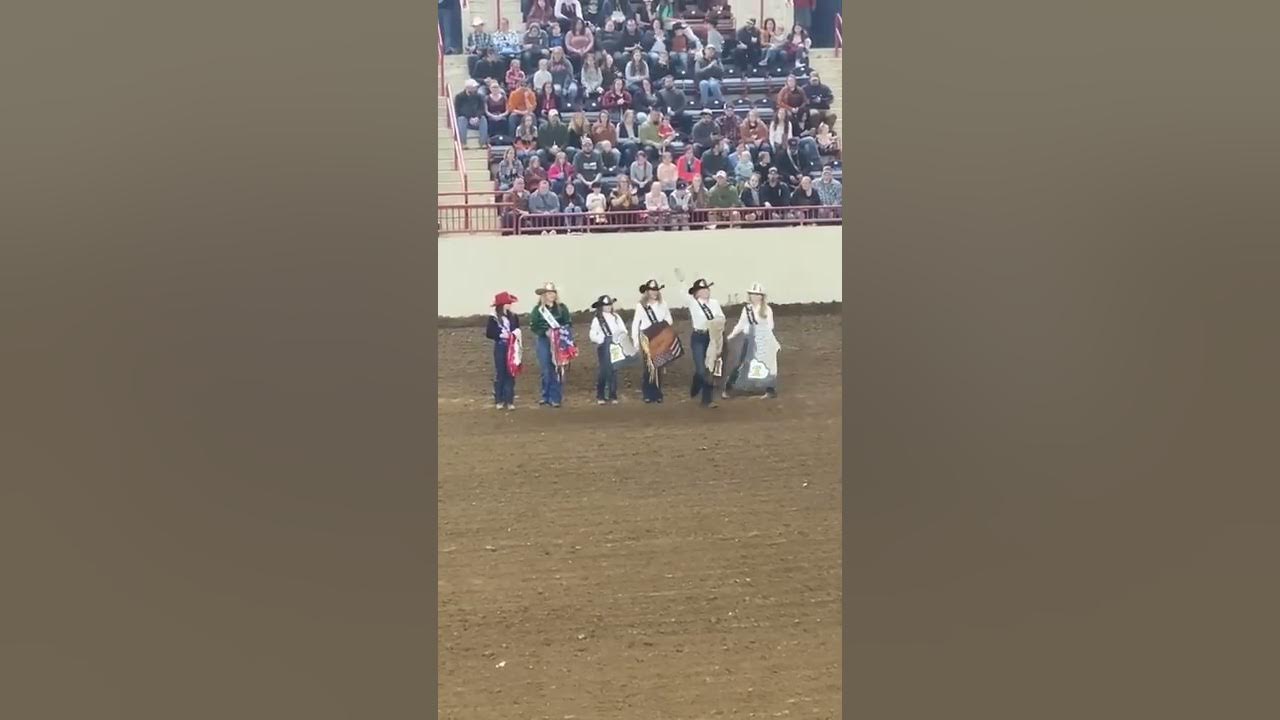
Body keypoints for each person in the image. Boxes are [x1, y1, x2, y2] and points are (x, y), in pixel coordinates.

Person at [724, 282, 778, 399]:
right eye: (753, 294)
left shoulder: (767, 310)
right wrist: (731, 336)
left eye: (757, 294)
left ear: (762, 296)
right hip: (748, 340)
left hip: (762, 340)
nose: (755, 297)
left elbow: (770, 326)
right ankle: (729, 388)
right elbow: (740, 325)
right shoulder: (746, 309)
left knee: (766, 363)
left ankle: (770, 389)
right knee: (741, 362)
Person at [529, 282, 575, 407]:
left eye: (553, 293)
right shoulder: (538, 310)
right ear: (544, 295)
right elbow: (533, 325)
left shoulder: (562, 308)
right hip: (544, 340)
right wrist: (544, 331)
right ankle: (545, 395)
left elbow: (568, 324)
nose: (551, 295)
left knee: (557, 368)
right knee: (546, 368)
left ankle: (556, 397)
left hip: (559, 341)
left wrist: (561, 333)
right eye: (549, 293)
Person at [685, 278, 726, 408]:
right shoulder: (693, 303)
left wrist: (716, 324)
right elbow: (683, 292)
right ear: (696, 293)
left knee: (710, 368)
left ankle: (707, 399)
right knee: (701, 370)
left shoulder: (715, 303)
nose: (706, 291)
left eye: (707, 288)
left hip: (712, 337)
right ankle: (696, 384)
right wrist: (682, 281)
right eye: (702, 289)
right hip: (698, 337)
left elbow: (721, 317)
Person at [631, 279, 672, 403]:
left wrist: (661, 326)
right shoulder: (641, 306)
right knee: (649, 366)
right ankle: (648, 393)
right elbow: (636, 324)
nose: (654, 293)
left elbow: (669, 319)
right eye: (652, 290)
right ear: (647, 292)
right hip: (646, 337)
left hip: (659, 337)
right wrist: (635, 342)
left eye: (656, 290)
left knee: (658, 365)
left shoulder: (663, 304)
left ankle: (658, 393)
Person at [587, 294, 627, 404]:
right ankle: (601, 395)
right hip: (604, 345)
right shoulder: (597, 319)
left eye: (609, 305)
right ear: (601, 306)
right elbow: (592, 334)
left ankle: (613, 395)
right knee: (604, 370)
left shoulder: (616, 317)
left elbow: (623, 330)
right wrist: (601, 339)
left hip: (615, 345)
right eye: (605, 305)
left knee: (614, 370)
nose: (608, 307)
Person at [485, 291, 522, 409]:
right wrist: (500, 334)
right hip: (500, 346)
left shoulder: (514, 317)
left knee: (510, 372)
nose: (510, 305)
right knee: (500, 372)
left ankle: (509, 399)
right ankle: (499, 399)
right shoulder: (493, 318)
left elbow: (517, 328)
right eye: (507, 303)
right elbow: (489, 332)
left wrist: (515, 334)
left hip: (512, 347)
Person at [454, 79, 489, 148]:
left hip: (476, 118)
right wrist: (469, 118)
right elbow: (458, 111)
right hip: (465, 118)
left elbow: (481, 108)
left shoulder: (479, 96)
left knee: (483, 119)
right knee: (461, 119)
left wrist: (477, 117)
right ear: (468, 88)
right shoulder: (459, 97)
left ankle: (483, 143)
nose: (475, 88)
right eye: (473, 87)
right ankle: (463, 143)